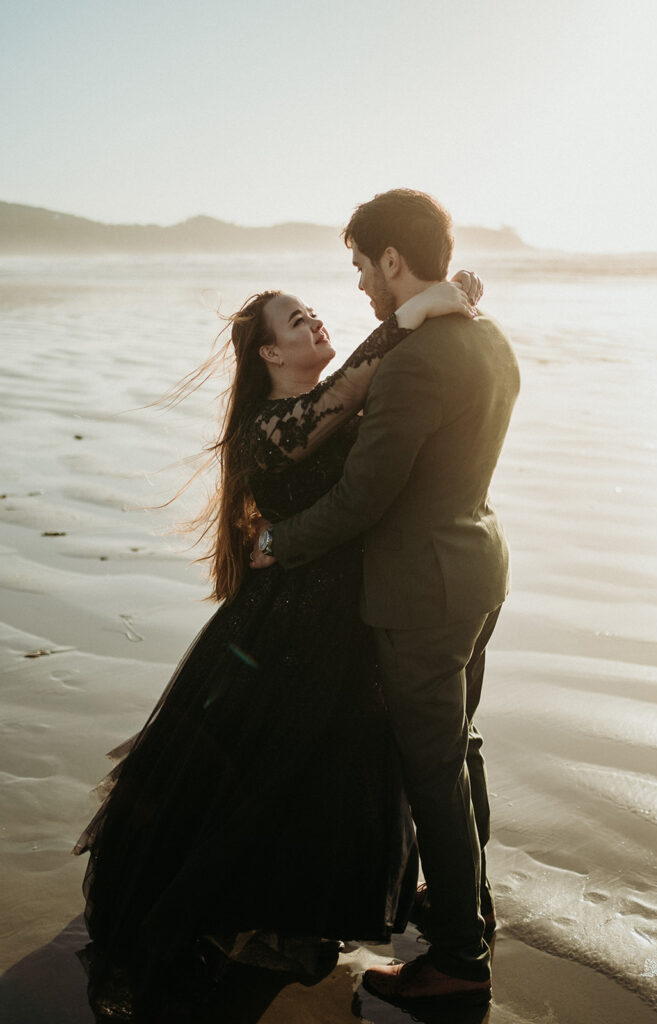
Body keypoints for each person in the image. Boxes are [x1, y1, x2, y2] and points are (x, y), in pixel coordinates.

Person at [73, 272, 481, 1021]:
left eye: (314, 312)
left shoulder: (335, 401)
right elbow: (349, 393)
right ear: (267, 352)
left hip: (343, 617)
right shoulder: (273, 422)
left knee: (326, 774)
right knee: (270, 780)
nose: (315, 322)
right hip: (292, 628)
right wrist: (413, 310)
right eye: (297, 320)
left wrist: (440, 312)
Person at [251, 188, 520, 1006]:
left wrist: (278, 543)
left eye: (363, 265)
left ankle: (459, 961)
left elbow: (365, 496)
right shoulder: (487, 338)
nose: (362, 283)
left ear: (392, 260)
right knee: (460, 749)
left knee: (432, 767)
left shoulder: (412, 362)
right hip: (479, 565)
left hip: (421, 593)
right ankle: (464, 899)